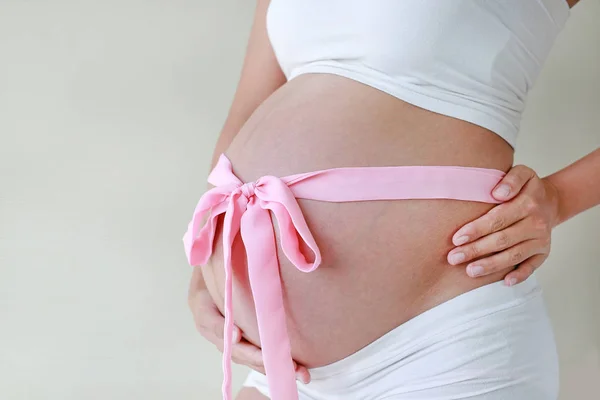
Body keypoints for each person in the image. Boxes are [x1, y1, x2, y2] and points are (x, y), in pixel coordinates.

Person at [185, 1, 599, 399]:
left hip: (444, 342)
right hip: (279, 369)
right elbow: (243, 117)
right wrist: (204, 278)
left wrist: (560, 197)